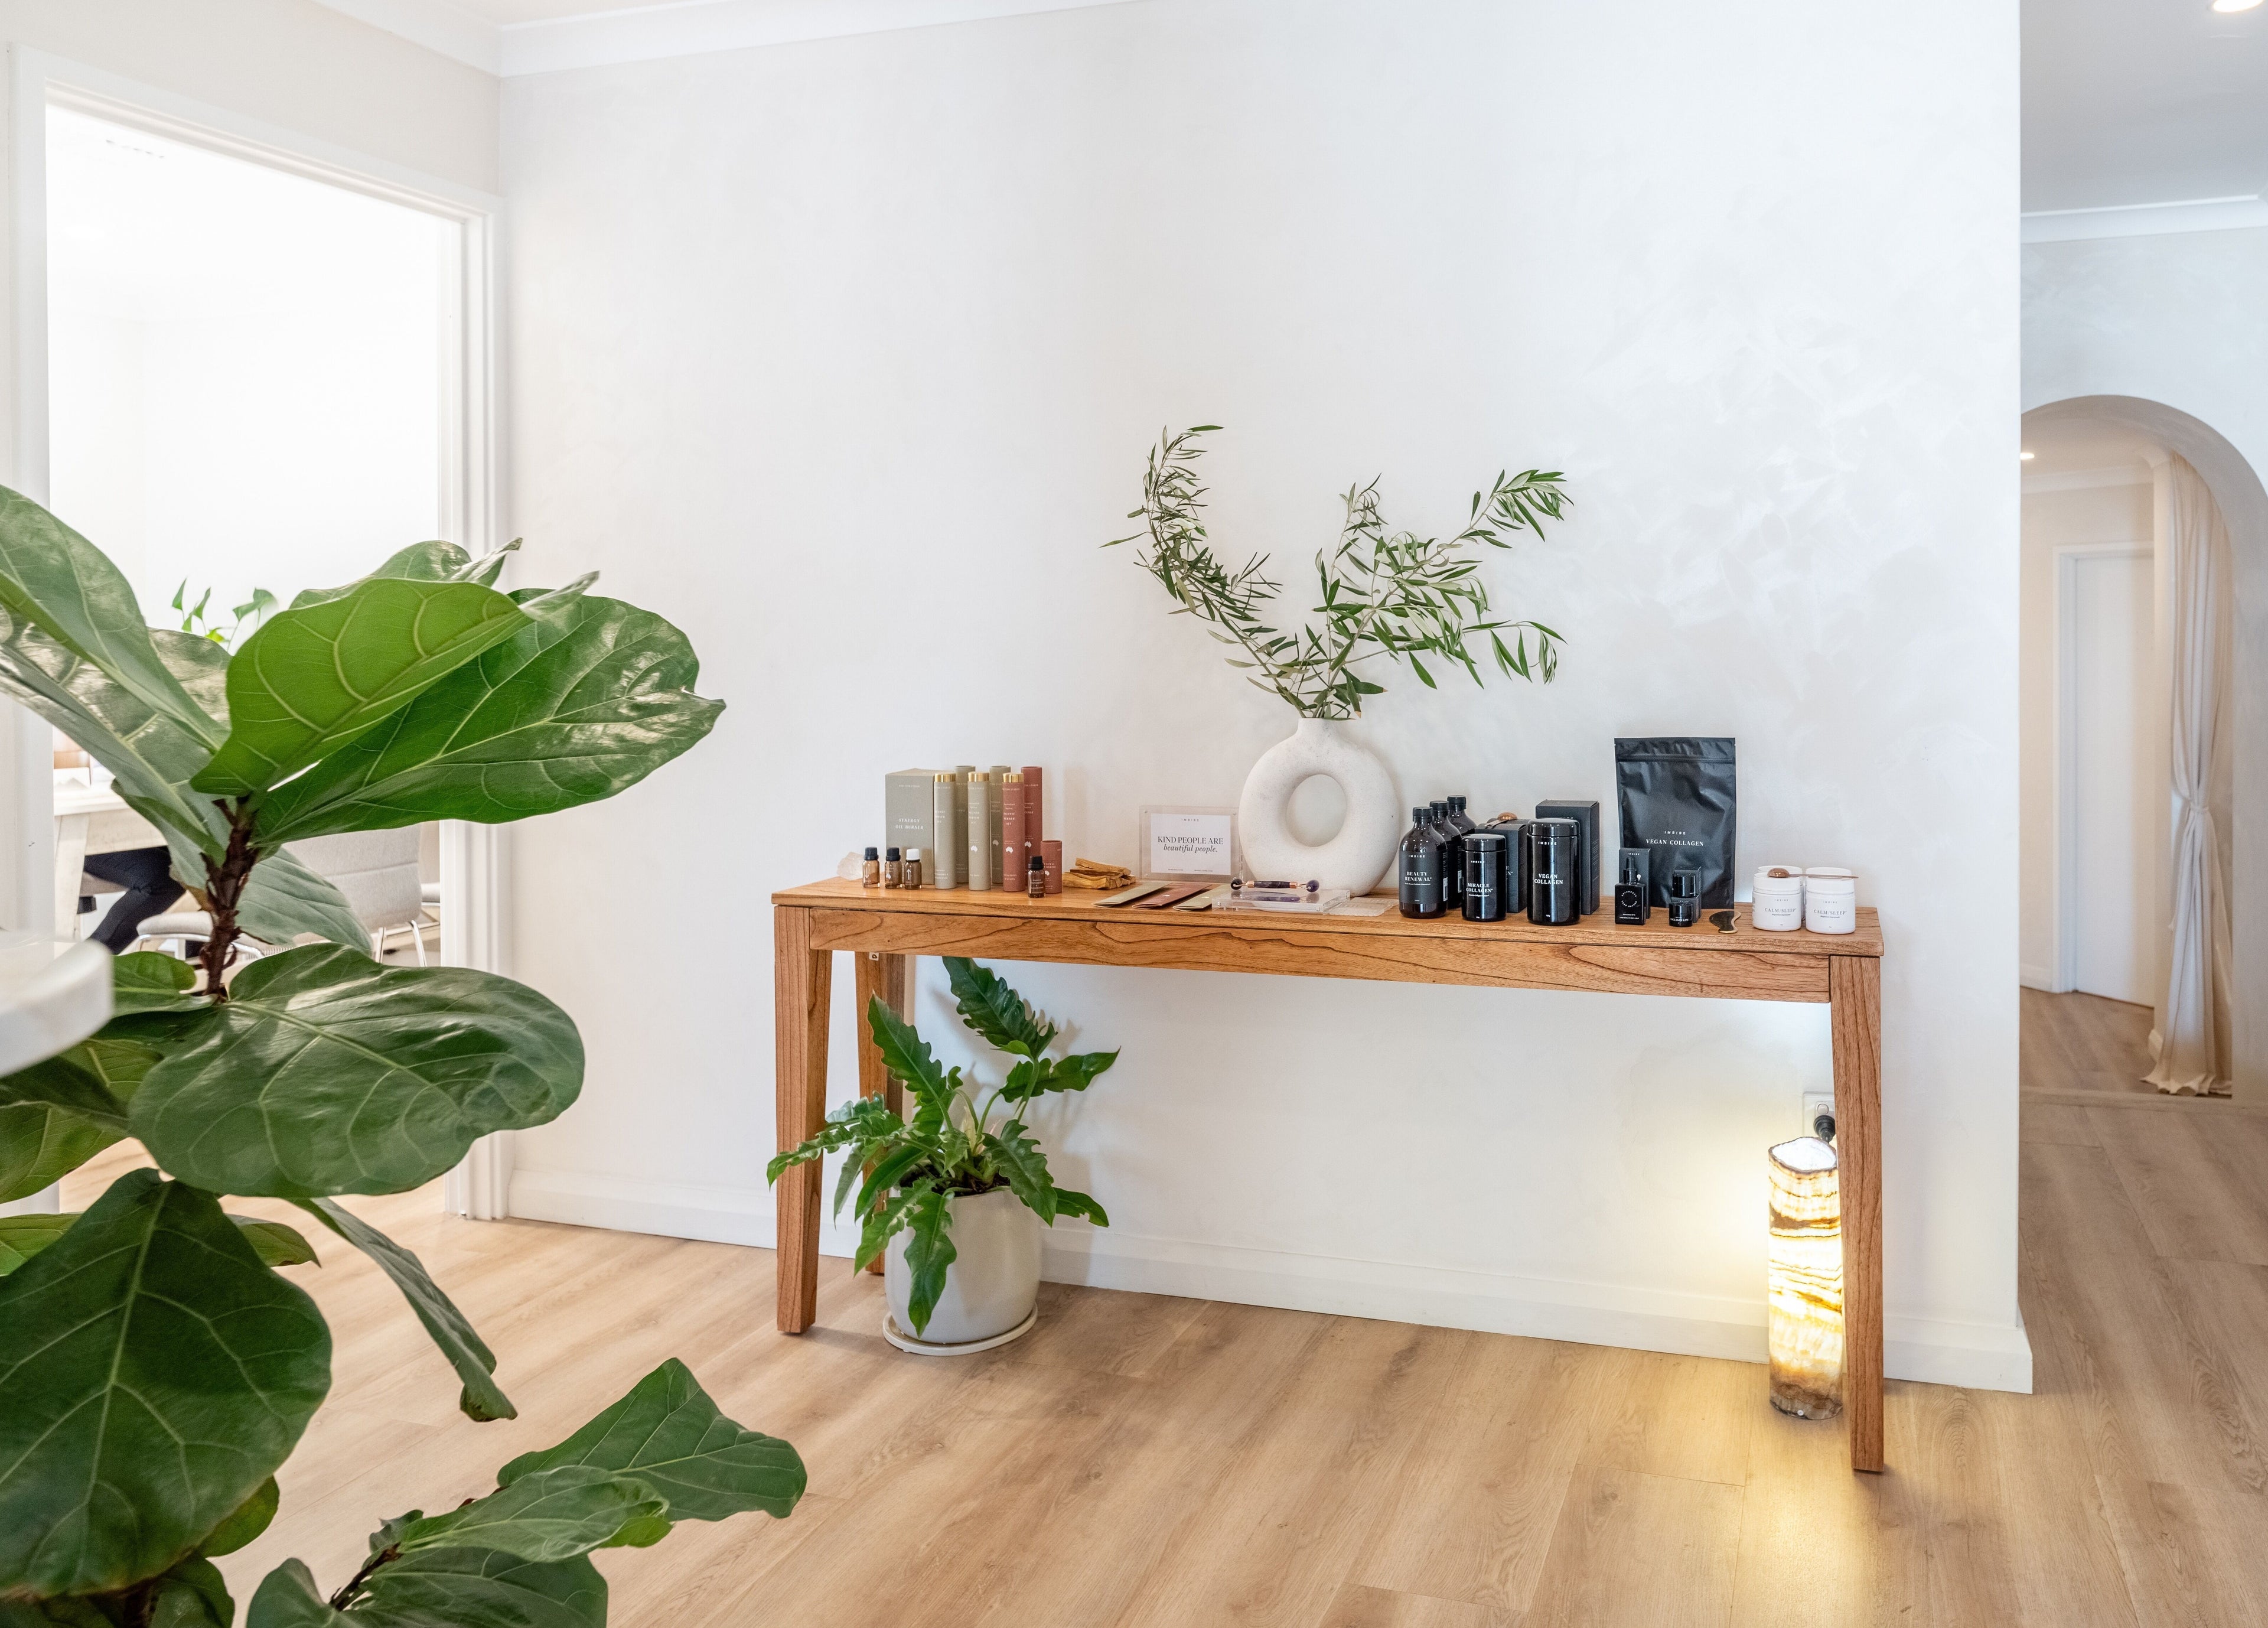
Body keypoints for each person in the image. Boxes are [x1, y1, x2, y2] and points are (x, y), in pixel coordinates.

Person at [81, 845, 185, 954]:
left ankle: (200, 960)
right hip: (78, 839)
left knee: (195, 859)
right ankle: (88, 962)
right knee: (168, 878)